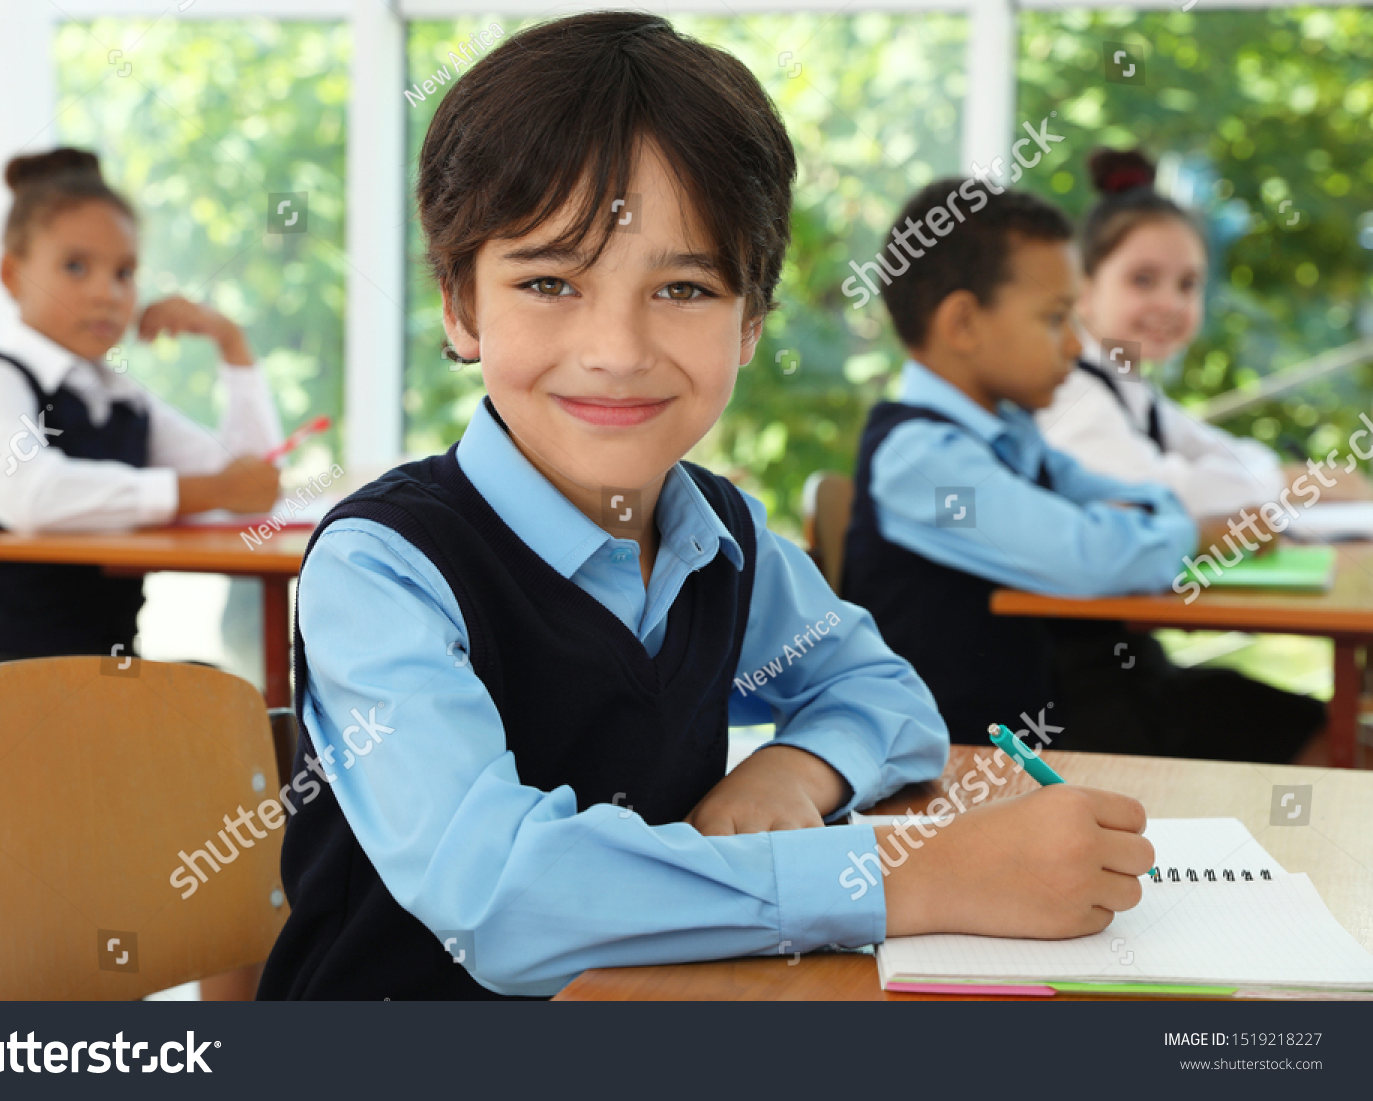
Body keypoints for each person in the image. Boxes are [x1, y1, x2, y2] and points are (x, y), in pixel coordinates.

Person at [258, 12, 1155, 1002]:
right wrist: (913, 877)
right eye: (550, 280)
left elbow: (888, 699)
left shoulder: (720, 535)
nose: (616, 348)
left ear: (751, 323)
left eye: (683, 288)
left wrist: (795, 769)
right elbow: (504, 903)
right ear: (462, 309)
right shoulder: (383, 568)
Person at [839, 178, 1325, 763]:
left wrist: (1147, 522)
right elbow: (1085, 556)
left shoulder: (1012, 433)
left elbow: (1132, 497)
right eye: (1055, 319)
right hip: (981, 757)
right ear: (963, 324)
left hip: (1071, 709)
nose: (1075, 347)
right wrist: (1194, 533)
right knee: (1309, 734)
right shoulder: (923, 461)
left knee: (1306, 721)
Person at [0, 147, 283, 672]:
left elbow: (247, 483)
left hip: (103, 671)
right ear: (12, 274)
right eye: (76, 267)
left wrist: (230, 344)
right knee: (226, 707)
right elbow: (36, 494)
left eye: (124, 272)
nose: (106, 293)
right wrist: (213, 492)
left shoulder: (119, 395)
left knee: (227, 696)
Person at [1035, 147, 1369, 512]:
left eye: (1188, 284)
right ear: (1083, 291)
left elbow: (1220, 452)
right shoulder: (1066, 389)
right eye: (1142, 280)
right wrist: (1290, 481)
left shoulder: (1128, 386)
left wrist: (1290, 476)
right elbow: (1154, 491)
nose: (1170, 304)